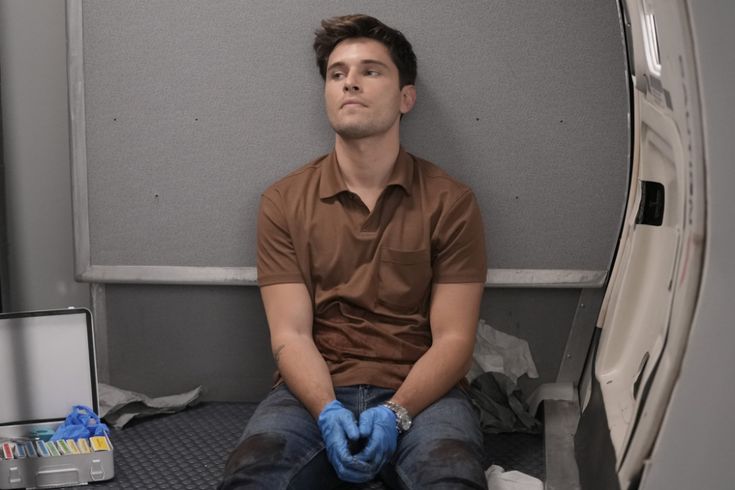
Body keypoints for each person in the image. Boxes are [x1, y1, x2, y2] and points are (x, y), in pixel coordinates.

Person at [220, 14, 488, 489]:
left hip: (423, 393)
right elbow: (290, 335)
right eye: (337, 73)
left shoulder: (451, 201)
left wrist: (397, 412)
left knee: (452, 479)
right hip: (313, 392)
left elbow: (454, 340)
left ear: (407, 97)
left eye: (371, 71)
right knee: (252, 475)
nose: (350, 83)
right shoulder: (283, 201)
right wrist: (325, 410)